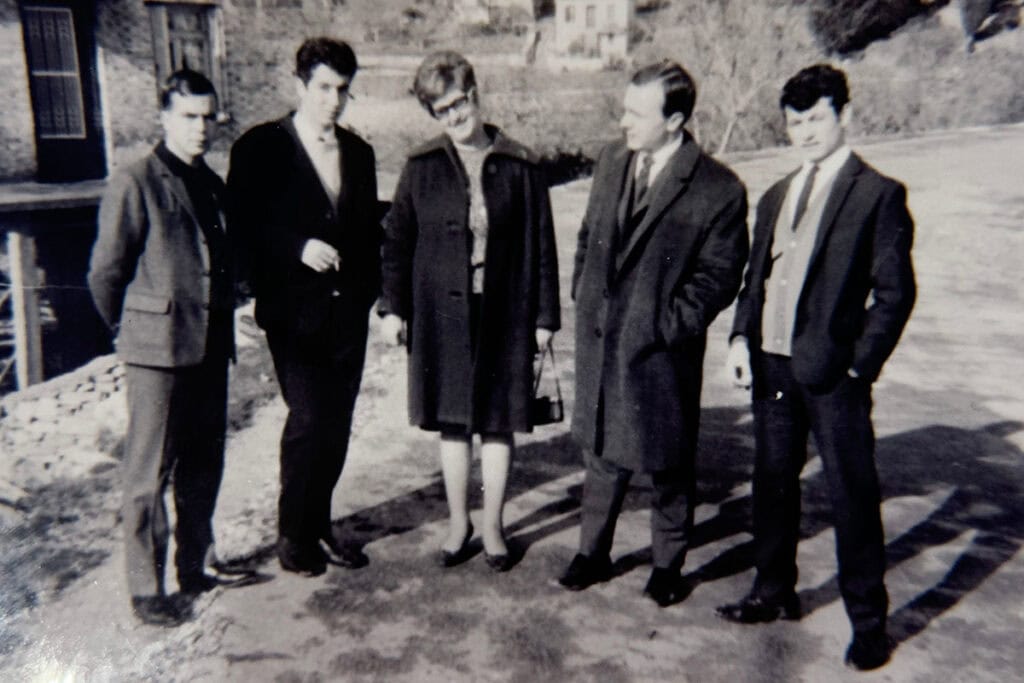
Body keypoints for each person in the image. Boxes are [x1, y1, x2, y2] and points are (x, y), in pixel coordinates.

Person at [714, 64, 915, 672]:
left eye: (816, 119)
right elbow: (755, 280)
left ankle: (869, 625)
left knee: (852, 495)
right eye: (794, 123)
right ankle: (773, 591)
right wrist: (740, 338)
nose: (804, 133)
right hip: (772, 369)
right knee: (773, 484)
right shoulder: (777, 195)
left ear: (844, 116)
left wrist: (859, 368)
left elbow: (895, 294)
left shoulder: (877, 194)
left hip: (835, 377)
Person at [557, 61, 749, 606]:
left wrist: (664, 326)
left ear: (675, 120)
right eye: (625, 109)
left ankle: (667, 564)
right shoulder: (612, 160)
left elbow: (718, 277)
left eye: (637, 114)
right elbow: (590, 233)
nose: (624, 122)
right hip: (602, 338)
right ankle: (592, 553)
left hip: (661, 351)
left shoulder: (718, 188)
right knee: (601, 450)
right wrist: (583, 290)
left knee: (668, 459)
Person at [379, 51, 560, 572]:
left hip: (505, 311)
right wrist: (393, 308)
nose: (454, 116)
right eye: (441, 110)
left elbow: (542, 245)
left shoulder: (521, 164)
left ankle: (494, 527)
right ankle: (459, 524)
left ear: (475, 95)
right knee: (453, 423)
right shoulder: (421, 167)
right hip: (441, 315)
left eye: (459, 102)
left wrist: (544, 317)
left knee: (499, 422)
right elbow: (396, 242)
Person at [89, 69, 239, 626]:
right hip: (157, 351)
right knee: (148, 472)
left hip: (210, 344)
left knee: (204, 463)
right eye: (188, 117)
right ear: (164, 118)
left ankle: (194, 566)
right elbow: (105, 272)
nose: (200, 128)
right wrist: (130, 330)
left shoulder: (212, 184)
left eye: (208, 117)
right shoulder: (135, 181)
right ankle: (146, 588)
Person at [226, 38, 381, 577]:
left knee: (337, 422)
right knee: (309, 417)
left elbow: (366, 230)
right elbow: (242, 226)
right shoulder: (260, 148)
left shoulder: (359, 153)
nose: (333, 100)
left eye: (342, 89)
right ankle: (293, 533)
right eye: (323, 88)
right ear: (299, 86)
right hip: (293, 312)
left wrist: (372, 296)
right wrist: (296, 247)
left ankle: (320, 525)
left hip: (347, 313)